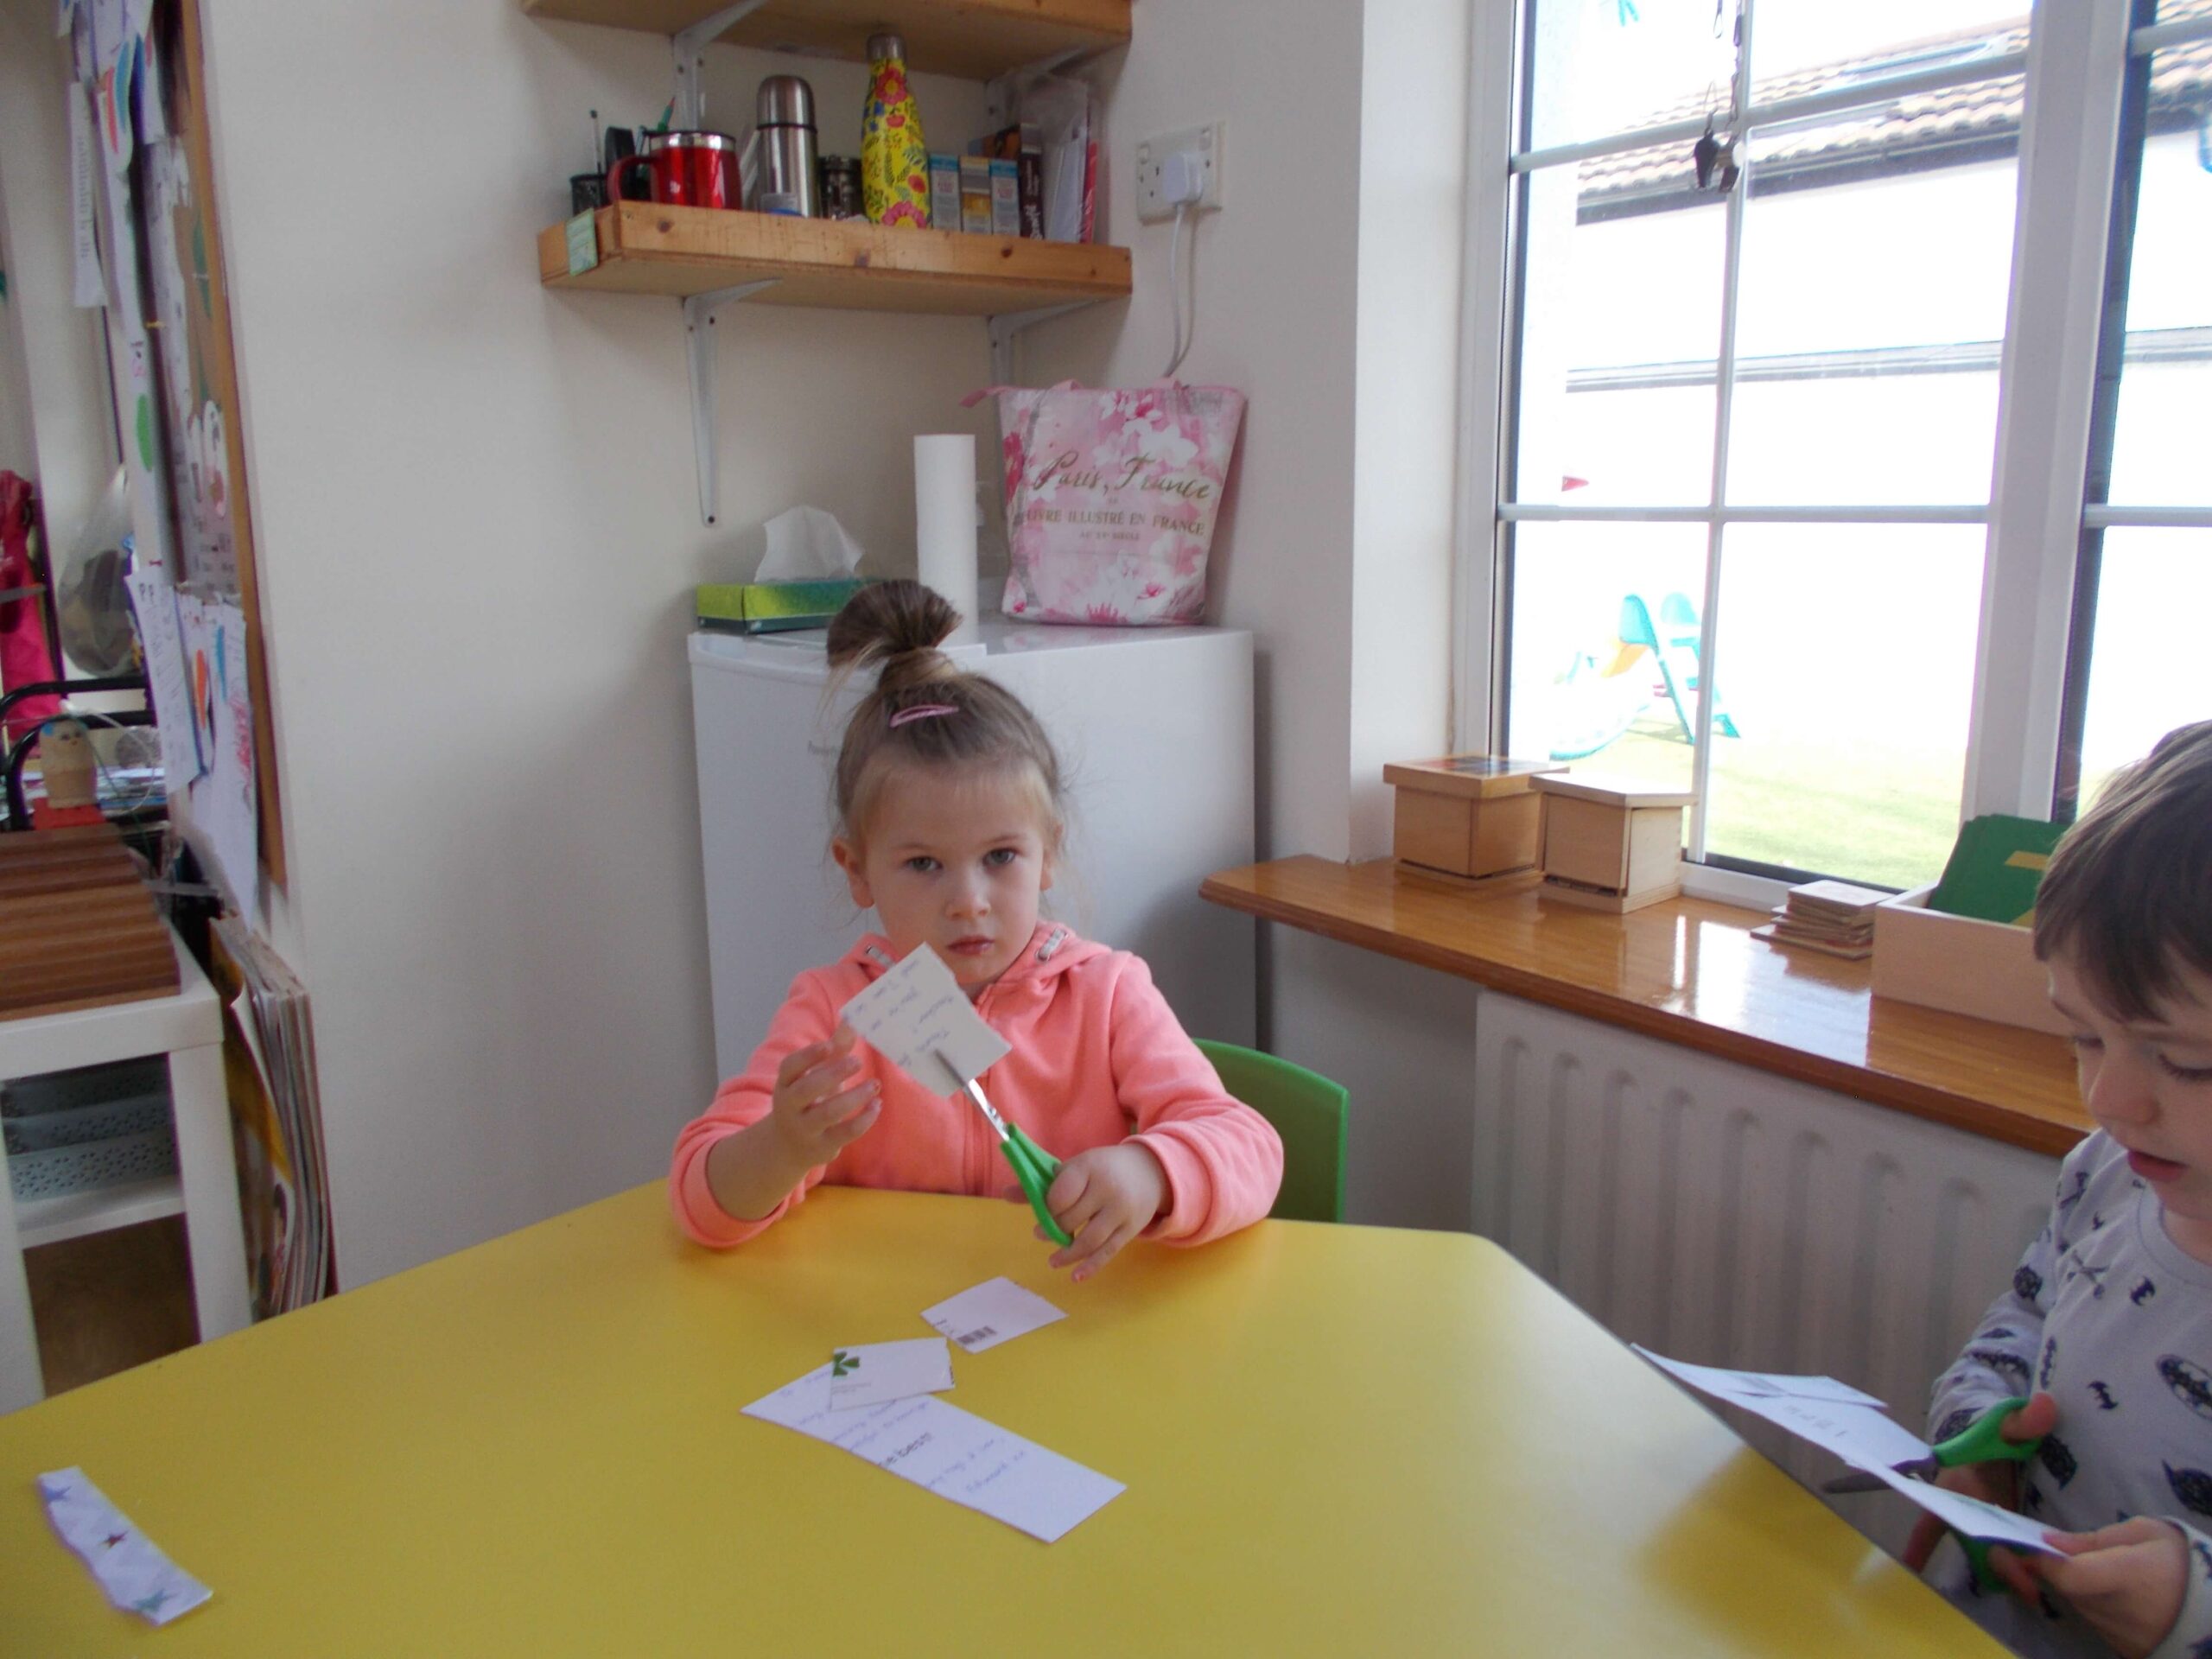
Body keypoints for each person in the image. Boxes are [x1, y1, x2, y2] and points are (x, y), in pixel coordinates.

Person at [670, 580, 1282, 1281]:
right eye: (923, 864)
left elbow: (1251, 1148)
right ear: (857, 870)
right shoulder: (832, 1015)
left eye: (1000, 857)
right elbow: (698, 1201)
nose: (968, 902)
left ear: (1047, 854)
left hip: (1070, 1316)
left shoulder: (1108, 995)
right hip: (887, 1327)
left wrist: (1154, 1171)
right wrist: (781, 1147)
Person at [1912, 721, 2212, 1659]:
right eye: (2085, 1036)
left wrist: (2194, 1609)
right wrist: (1977, 1431)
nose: (2108, 1100)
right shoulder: (2110, 1173)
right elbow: (2027, 1319)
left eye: (2186, 1062)